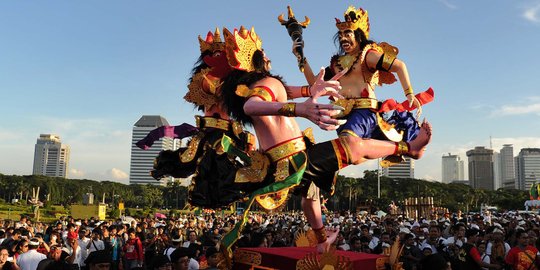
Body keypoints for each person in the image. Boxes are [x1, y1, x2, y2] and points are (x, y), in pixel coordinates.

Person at [220, 25, 431, 253]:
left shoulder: (269, 84)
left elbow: (305, 89)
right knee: (351, 147)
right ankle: (409, 147)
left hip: (286, 159)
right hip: (291, 159)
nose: (269, 57)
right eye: (264, 54)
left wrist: (308, 75)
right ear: (256, 61)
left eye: (347, 33)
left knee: (312, 192)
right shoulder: (267, 84)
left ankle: (322, 240)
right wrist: (300, 109)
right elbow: (251, 106)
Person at [293, 5, 434, 167]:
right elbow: (314, 84)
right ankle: (404, 149)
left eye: (348, 33)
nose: (343, 38)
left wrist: (409, 94)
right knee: (354, 158)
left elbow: (399, 66)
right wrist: (300, 56)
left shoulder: (367, 55)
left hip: (364, 112)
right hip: (343, 114)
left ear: (358, 35)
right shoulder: (336, 64)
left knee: (349, 143)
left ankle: (409, 148)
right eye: (340, 35)